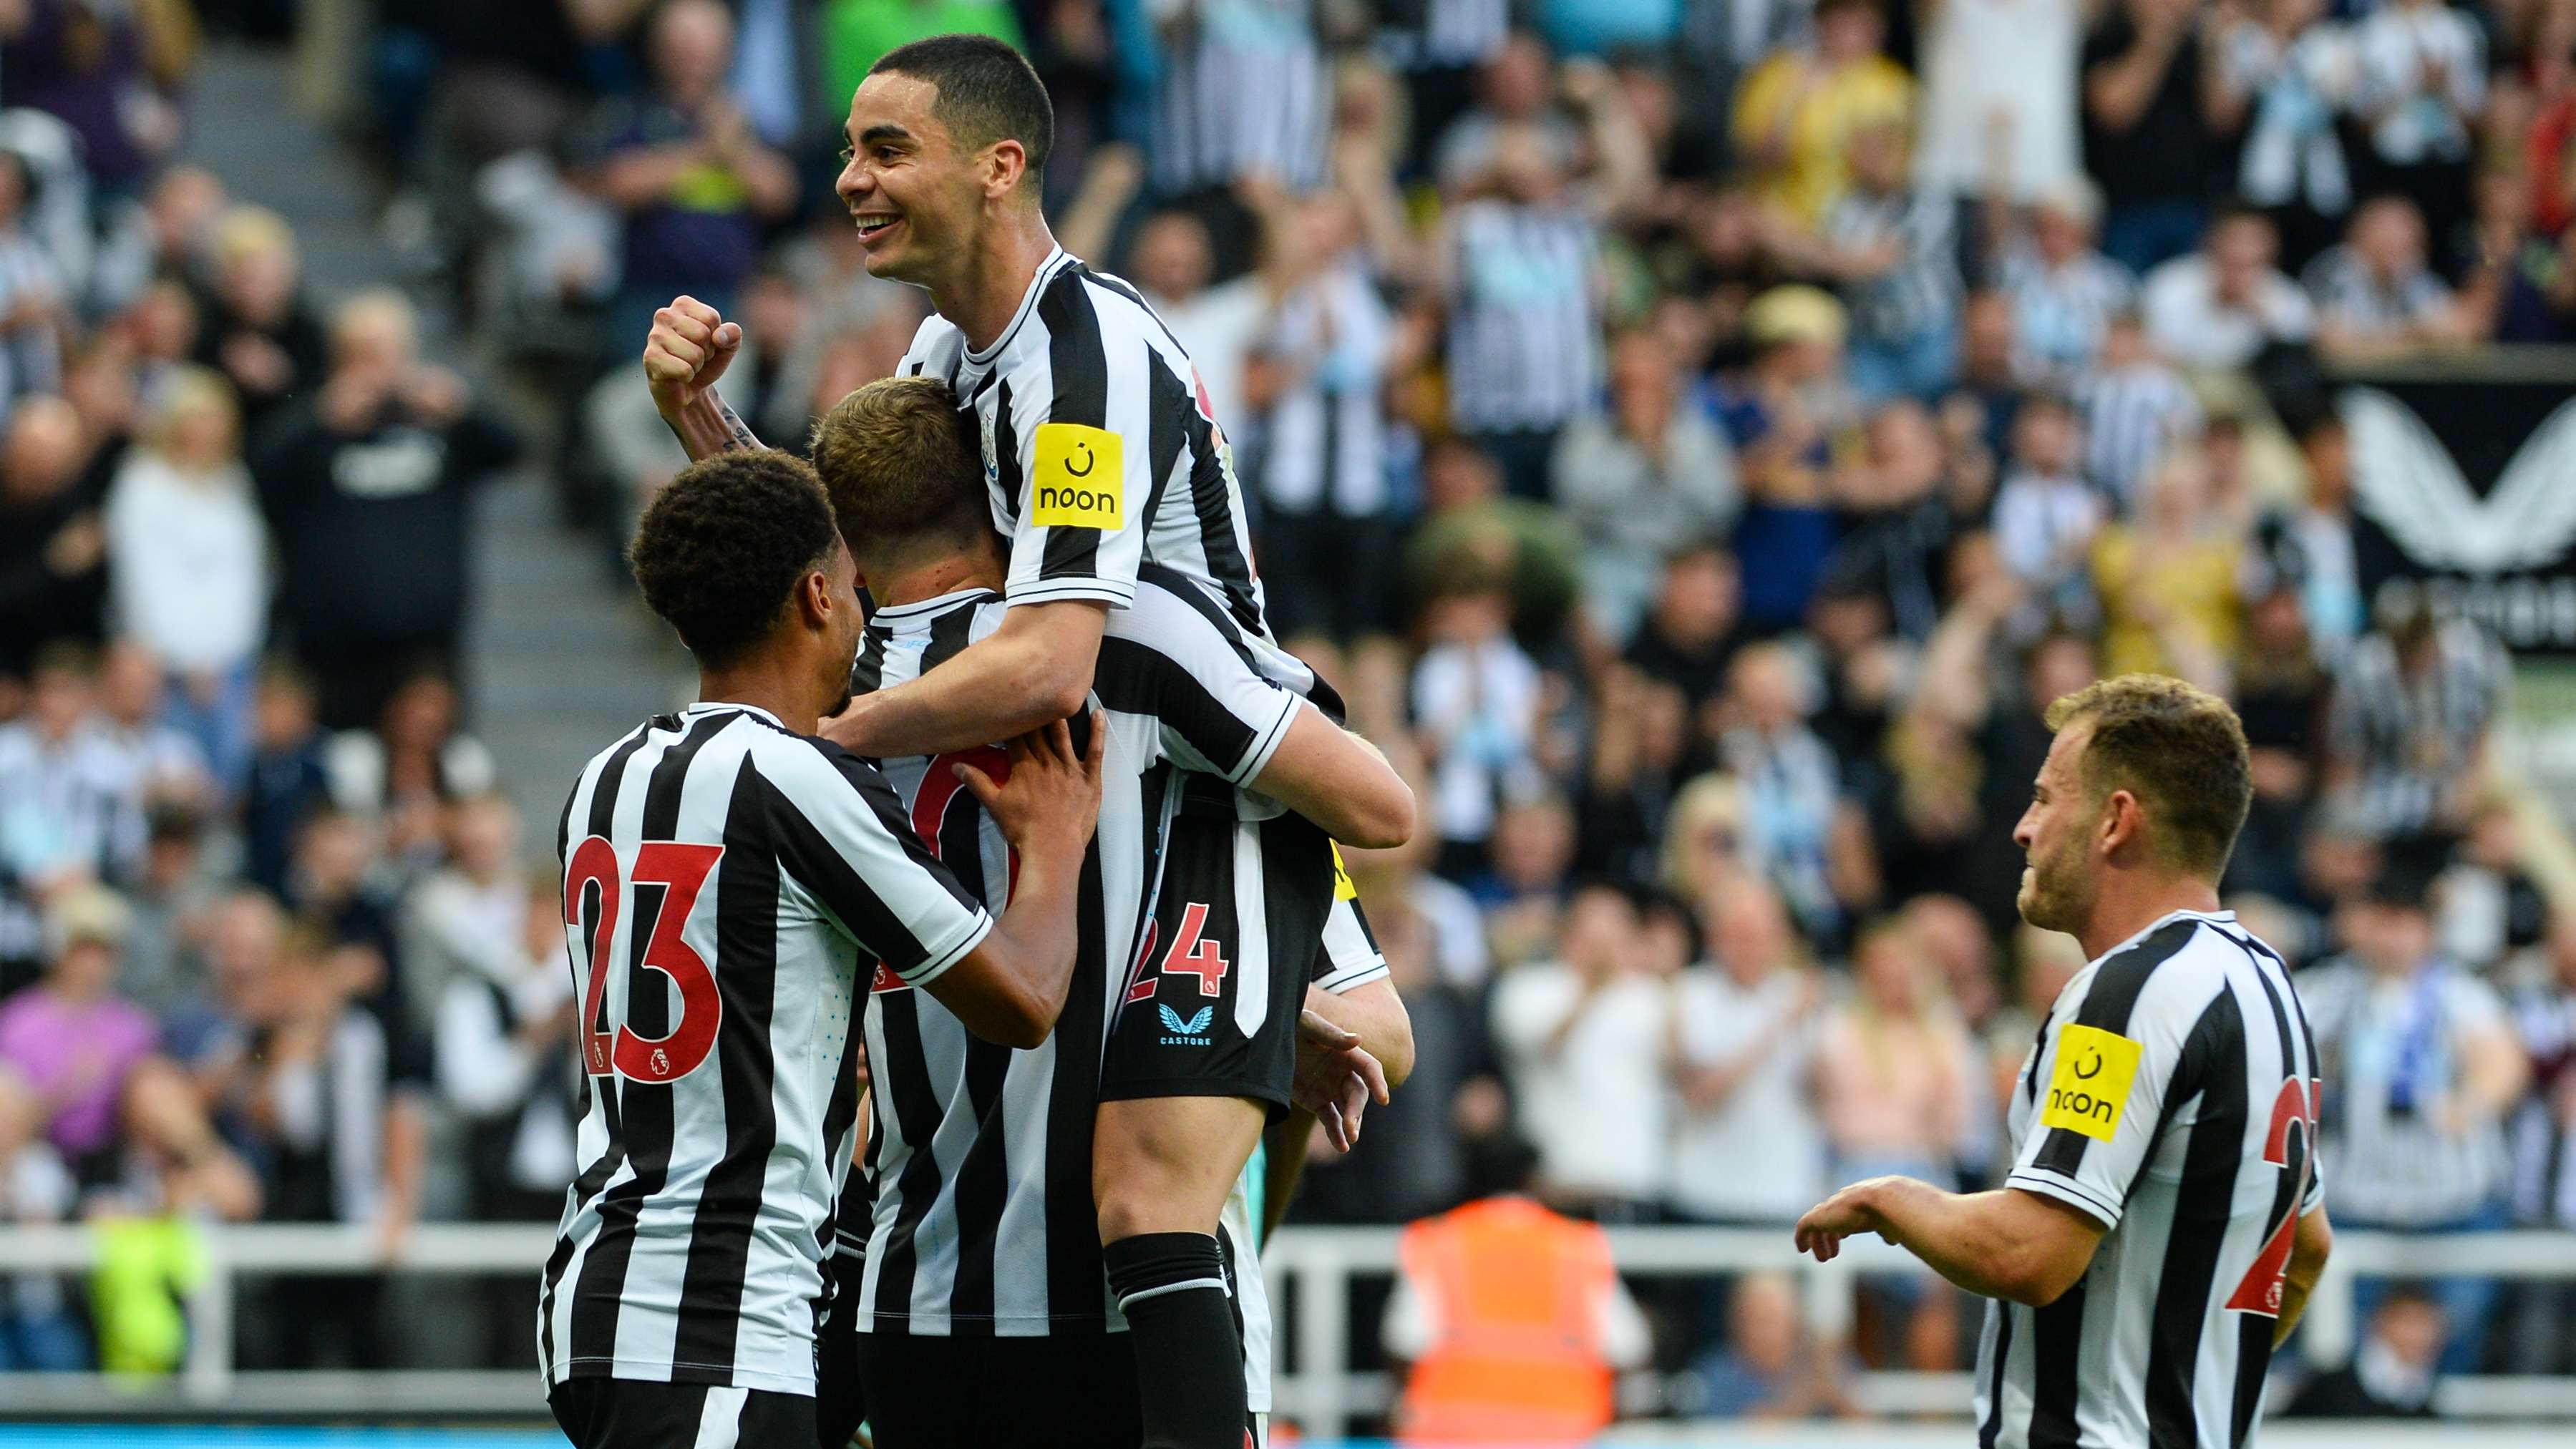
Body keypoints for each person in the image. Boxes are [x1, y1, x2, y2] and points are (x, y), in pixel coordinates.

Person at [643, 39, 1411, 1447]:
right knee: (988, 1140)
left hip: (1209, 795)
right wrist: (703, 424)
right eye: (850, 149)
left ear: (998, 168)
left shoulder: (1085, 354)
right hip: (1106, 778)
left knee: (1154, 1188)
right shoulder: (947, 350)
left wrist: (833, 731)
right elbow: (859, 578)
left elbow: (1057, 653)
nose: (847, 180)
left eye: (883, 150)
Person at [807, 376, 1411, 1449]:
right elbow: (1380, 817)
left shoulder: (820, 699)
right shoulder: (1143, 637)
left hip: (911, 1295)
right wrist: (1252, 1010)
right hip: (1142, 1314)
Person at [538, 448, 1105, 1449]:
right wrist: (1053, 846)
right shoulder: (792, 778)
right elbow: (1021, 1000)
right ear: (814, 596)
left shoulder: (608, 777)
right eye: (850, 586)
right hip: (712, 1318)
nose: (862, 610)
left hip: (599, 1293)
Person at [1794, 674, 2333, 1445]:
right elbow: (2306, 1249)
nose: (2021, 828)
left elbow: (2032, 1253)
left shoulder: (2129, 989)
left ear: (2115, 821)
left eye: (2045, 798)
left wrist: (1891, 1200)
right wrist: (2182, 1382)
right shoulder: (2266, 984)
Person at [1382, 1141, 1652, 1442]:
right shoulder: (1579, 1246)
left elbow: (1404, 1344)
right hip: (1564, 1435)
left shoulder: (1437, 1241)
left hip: (1452, 1434)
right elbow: (1628, 1348)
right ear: (1533, 1180)